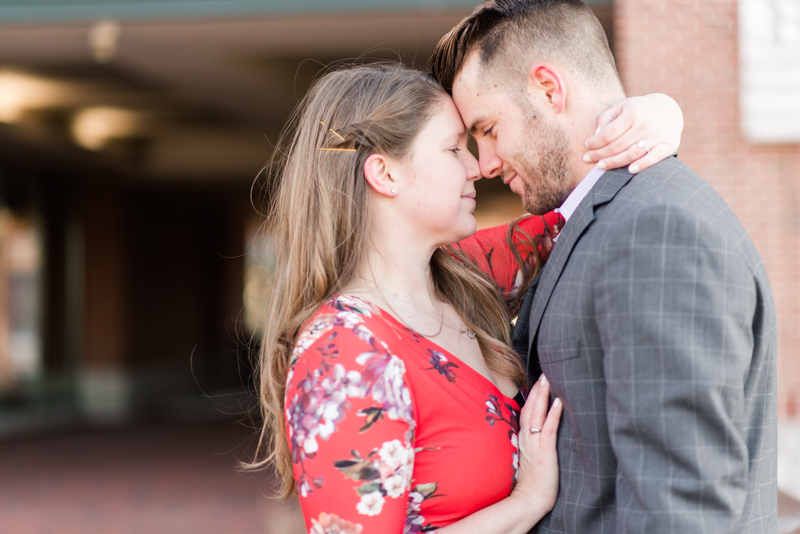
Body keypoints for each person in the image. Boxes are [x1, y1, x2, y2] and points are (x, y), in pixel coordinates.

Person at [251, 64, 682, 533]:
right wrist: (528, 500)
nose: (478, 165)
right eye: (454, 147)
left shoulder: (464, 277)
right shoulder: (345, 353)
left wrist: (663, 113)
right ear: (384, 173)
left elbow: (579, 211)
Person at [430, 1, 779, 533]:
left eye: (490, 128)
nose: (486, 163)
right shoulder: (601, 221)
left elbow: (682, 505)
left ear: (550, 90)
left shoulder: (654, 230)